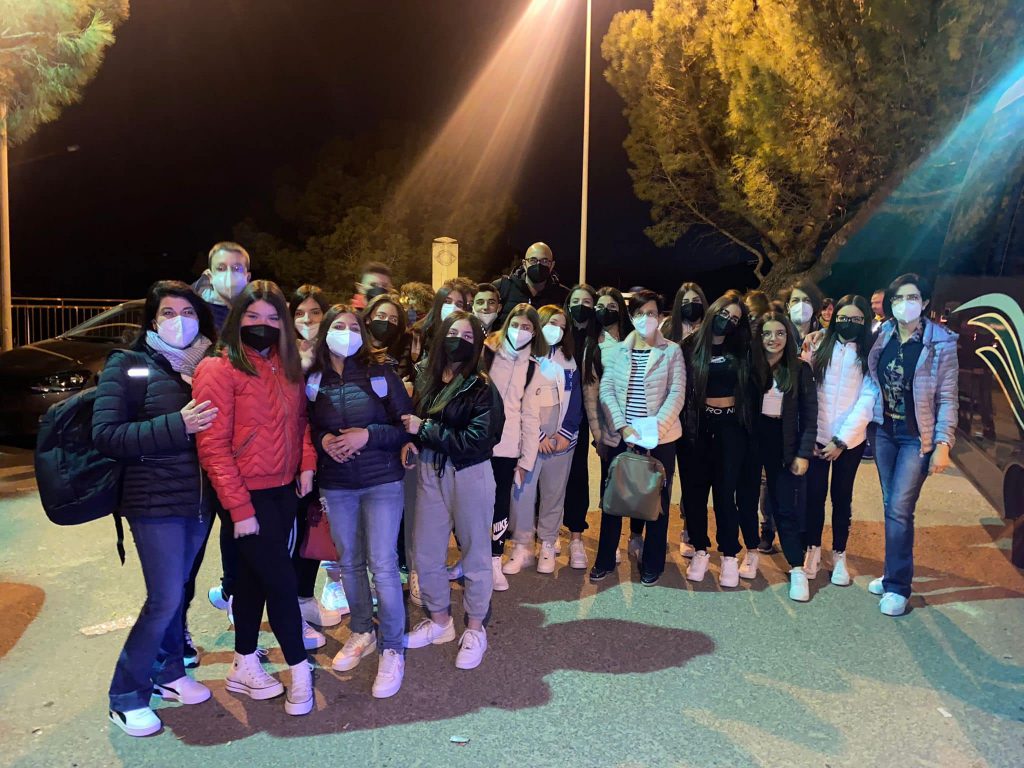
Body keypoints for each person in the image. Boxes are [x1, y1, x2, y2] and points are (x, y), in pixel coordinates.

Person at [94, 280, 218, 737]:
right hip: (152, 501)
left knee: (178, 592)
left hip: (199, 499)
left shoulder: (208, 366)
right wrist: (177, 424)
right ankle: (126, 695)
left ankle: (169, 673)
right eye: (168, 312)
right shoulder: (128, 365)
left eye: (188, 312)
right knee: (164, 597)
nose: (179, 321)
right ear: (152, 319)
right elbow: (106, 435)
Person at [193, 280, 317, 717]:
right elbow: (212, 446)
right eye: (253, 317)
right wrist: (240, 509)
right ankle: (300, 672)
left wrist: (306, 462)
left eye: (271, 318)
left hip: (284, 491)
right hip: (246, 496)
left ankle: (243, 663)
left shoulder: (286, 366)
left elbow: (301, 422)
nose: (263, 325)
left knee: (250, 582)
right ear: (237, 319)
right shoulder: (218, 368)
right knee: (281, 584)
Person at [306, 304, 413, 697]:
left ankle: (393, 646)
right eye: (339, 325)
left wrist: (367, 435)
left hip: (381, 480)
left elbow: (405, 425)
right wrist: (323, 441)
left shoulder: (380, 372)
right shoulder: (313, 377)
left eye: (354, 326)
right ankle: (363, 630)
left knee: (382, 563)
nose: (347, 332)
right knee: (349, 561)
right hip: (337, 484)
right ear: (326, 332)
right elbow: (306, 424)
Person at [401, 310, 504, 670]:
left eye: (468, 336)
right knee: (426, 552)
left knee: (476, 553)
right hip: (430, 470)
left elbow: (478, 440)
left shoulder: (482, 386)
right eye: (453, 333)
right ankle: (440, 621)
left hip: (469, 474)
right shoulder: (428, 378)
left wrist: (424, 430)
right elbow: (412, 423)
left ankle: (475, 628)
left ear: (477, 345)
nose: (459, 340)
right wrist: (412, 440)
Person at [866, 273, 958, 617]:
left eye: (912, 297)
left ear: (925, 301)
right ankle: (892, 572)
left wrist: (943, 443)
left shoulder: (941, 343)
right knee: (891, 505)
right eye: (898, 298)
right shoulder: (885, 333)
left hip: (914, 437)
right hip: (884, 431)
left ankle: (898, 587)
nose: (905, 304)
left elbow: (947, 397)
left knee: (900, 508)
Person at [590, 290, 685, 586]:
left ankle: (652, 563)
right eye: (640, 313)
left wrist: (651, 431)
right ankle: (605, 559)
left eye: (652, 313)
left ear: (661, 317)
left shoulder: (672, 351)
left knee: (656, 501)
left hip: (660, 439)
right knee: (613, 498)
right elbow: (606, 390)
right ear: (631, 317)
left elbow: (677, 393)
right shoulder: (619, 351)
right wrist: (623, 428)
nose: (646, 319)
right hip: (622, 436)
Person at [189, 242, 252, 644]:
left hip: (239, 447)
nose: (232, 275)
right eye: (223, 268)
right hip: (193, 448)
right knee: (191, 542)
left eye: (238, 268)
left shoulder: (251, 314)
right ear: (210, 274)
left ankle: (232, 596)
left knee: (235, 528)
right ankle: (178, 632)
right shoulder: (193, 317)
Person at [680, 291, 755, 587]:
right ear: (713, 311)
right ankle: (700, 549)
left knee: (725, 494)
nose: (728, 321)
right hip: (697, 428)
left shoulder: (743, 347)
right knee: (695, 494)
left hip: (731, 428)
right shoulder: (690, 346)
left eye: (735, 318)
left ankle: (729, 554)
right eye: (724, 314)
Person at [805, 295, 878, 587]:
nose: (849, 323)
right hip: (817, 436)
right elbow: (807, 389)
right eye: (844, 318)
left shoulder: (870, 353)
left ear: (864, 322)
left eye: (856, 319)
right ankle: (812, 548)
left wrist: (841, 440)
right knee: (814, 496)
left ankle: (839, 553)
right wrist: (811, 433)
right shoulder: (819, 345)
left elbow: (868, 399)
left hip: (850, 441)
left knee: (841, 498)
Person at [506, 305, 582, 575]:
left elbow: (575, 401)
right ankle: (522, 546)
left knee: (553, 493)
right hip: (529, 439)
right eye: (551, 323)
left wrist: (565, 433)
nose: (556, 329)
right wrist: (537, 436)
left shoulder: (569, 360)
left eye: (562, 325)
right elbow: (516, 400)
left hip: (561, 442)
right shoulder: (524, 357)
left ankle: (548, 543)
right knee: (522, 493)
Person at [749, 311, 817, 600]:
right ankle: (749, 552)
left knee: (784, 505)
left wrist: (803, 453)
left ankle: (797, 567)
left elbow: (810, 415)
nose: (773, 339)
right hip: (753, 438)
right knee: (747, 500)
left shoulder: (800, 369)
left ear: (788, 336)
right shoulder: (750, 365)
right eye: (766, 333)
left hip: (783, 440)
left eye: (779, 333)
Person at [484, 304, 545, 589]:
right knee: (472, 504)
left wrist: (526, 460)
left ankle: (494, 560)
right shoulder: (487, 353)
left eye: (527, 327)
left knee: (500, 504)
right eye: (515, 325)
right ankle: (473, 556)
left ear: (534, 333)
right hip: (476, 442)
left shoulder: (533, 368)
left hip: (507, 448)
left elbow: (531, 417)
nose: (520, 331)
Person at [586, 286, 631, 564]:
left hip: (638, 428)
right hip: (611, 430)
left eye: (612, 306)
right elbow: (591, 394)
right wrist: (598, 434)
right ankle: (608, 549)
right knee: (611, 490)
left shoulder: (635, 339)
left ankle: (636, 537)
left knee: (640, 485)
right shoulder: (593, 345)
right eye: (600, 307)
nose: (606, 312)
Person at [663, 281, 708, 558]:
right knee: (662, 477)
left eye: (696, 300)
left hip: (697, 418)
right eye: (686, 301)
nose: (691, 306)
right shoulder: (668, 329)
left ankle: (689, 530)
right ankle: (653, 531)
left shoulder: (710, 331)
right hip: (670, 414)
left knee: (694, 478)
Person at [563, 284, 600, 568]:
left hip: (585, 415)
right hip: (554, 414)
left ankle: (576, 535)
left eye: (587, 301)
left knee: (577, 473)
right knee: (548, 476)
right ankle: (547, 530)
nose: (580, 306)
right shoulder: (556, 333)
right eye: (576, 301)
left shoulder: (598, 338)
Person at [495, 242, 569, 323]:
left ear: (552, 265)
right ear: (524, 264)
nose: (538, 265)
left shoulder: (563, 296)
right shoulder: (502, 287)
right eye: (533, 260)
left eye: (544, 261)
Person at [194, 241, 251, 330]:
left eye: (236, 268)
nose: (229, 275)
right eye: (221, 268)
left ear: (247, 278)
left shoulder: (256, 312)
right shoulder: (197, 314)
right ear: (210, 277)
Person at [291, 285, 331, 373]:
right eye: (299, 314)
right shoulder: (284, 350)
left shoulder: (335, 351)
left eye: (315, 313)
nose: (307, 320)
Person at [780, 278, 824, 343]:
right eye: (795, 300)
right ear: (788, 307)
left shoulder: (823, 336)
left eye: (807, 300)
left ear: (814, 306)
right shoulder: (777, 333)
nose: (801, 305)